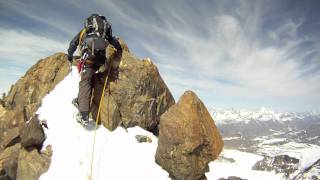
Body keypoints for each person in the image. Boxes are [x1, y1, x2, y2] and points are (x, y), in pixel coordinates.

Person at [67, 14, 122, 126]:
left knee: (85, 82)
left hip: (88, 58)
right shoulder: (105, 32)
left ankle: (84, 115)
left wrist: (69, 54)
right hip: (100, 60)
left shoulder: (84, 31)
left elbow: (74, 43)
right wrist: (119, 48)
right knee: (90, 78)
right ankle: (80, 101)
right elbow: (114, 41)